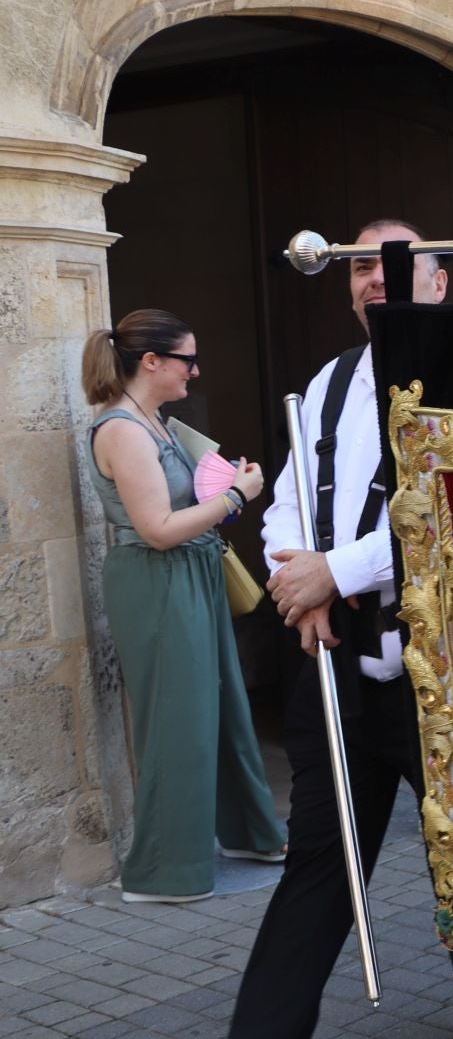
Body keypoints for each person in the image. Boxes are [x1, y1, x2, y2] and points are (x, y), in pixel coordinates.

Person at [163, 220, 453, 1039]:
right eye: (360, 267)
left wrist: (340, 569)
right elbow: (288, 500)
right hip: (338, 659)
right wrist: (298, 581)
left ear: (438, 283)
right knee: (320, 850)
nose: (373, 279)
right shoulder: (327, 382)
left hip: (445, 661)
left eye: (396, 263)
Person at [83, 310, 284, 902]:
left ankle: (249, 834)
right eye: (186, 360)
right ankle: (163, 872)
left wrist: (223, 484)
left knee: (221, 708)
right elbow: (158, 529)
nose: (194, 371)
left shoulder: (155, 420)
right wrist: (235, 497)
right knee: (177, 722)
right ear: (152, 362)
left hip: (187, 574)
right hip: (157, 578)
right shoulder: (122, 428)